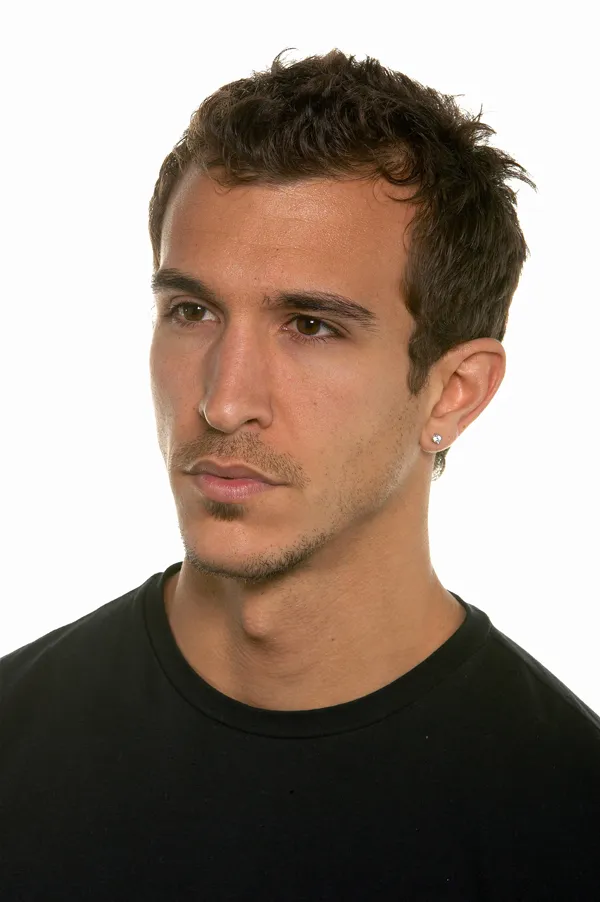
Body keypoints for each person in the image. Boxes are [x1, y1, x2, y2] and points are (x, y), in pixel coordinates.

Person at [1, 48, 598, 901]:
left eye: (312, 325)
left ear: (454, 392)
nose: (224, 402)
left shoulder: (567, 821)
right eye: (192, 311)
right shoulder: (17, 743)